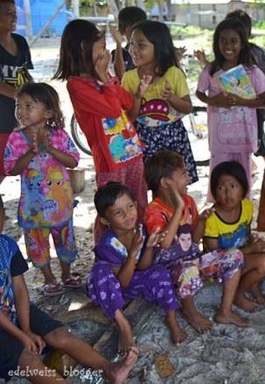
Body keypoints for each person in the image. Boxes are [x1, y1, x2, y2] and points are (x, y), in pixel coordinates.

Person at [53, 19, 147, 244]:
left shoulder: (103, 78)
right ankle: (107, 252)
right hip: (109, 161)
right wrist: (105, 77)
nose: (105, 53)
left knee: (139, 201)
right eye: (101, 48)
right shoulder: (76, 85)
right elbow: (113, 110)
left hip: (132, 152)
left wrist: (106, 77)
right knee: (111, 209)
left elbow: (126, 102)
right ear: (83, 49)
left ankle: (141, 246)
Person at [0, 232, 138, 383]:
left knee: (59, 335)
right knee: (28, 360)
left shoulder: (8, 245)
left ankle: (110, 370)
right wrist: (22, 336)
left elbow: (19, 289)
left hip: (14, 309)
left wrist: (26, 330)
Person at [143, 151, 248, 333]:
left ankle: (225, 311)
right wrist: (178, 208)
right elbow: (165, 244)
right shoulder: (154, 211)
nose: (189, 177)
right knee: (188, 269)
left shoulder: (189, 201)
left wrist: (201, 221)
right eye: (183, 173)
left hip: (192, 259)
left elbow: (195, 240)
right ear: (166, 183)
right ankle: (189, 311)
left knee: (235, 255)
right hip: (169, 270)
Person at [3, 83, 81, 296]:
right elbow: (11, 169)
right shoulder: (16, 139)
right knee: (37, 245)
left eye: (29, 106)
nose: (21, 111)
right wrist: (30, 153)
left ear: (48, 113)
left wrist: (51, 149)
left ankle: (66, 274)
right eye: (18, 105)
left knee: (65, 241)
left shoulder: (59, 135)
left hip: (60, 206)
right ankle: (49, 278)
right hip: (33, 208)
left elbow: (73, 161)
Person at [87, 182, 185, 351]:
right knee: (99, 270)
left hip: (134, 280)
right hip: (113, 289)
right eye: (118, 212)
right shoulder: (107, 244)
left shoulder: (140, 230)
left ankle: (171, 318)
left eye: (130, 206)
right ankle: (123, 324)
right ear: (105, 220)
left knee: (161, 272)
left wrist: (149, 247)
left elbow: (143, 267)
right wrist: (132, 253)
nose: (128, 215)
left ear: (135, 204)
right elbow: (122, 283)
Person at [121, 20, 198, 184]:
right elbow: (130, 118)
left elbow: (188, 107)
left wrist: (171, 98)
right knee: (151, 182)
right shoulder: (129, 78)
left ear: (158, 47)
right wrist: (137, 97)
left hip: (173, 136)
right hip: (144, 138)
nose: (133, 50)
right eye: (131, 44)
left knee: (176, 183)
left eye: (141, 45)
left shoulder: (173, 74)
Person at [195, 19, 265, 188]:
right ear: (217, 43)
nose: (228, 45)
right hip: (219, 139)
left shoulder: (252, 71)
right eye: (223, 41)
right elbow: (199, 93)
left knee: (242, 179)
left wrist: (243, 101)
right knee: (219, 179)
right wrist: (214, 101)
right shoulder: (211, 70)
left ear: (242, 44)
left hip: (244, 138)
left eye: (234, 41)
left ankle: (243, 204)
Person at [203, 160, 265, 310]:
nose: (228, 193)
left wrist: (257, 243)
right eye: (221, 188)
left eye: (233, 186)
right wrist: (251, 249)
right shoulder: (211, 219)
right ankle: (238, 294)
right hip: (222, 265)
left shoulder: (246, 206)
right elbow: (215, 257)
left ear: (243, 188)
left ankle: (252, 283)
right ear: (214, 192)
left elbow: (246, 235)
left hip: (243, 254)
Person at [224, 10, 265, 163]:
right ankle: (249, 166)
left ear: (247, 33)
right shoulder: (224, 54)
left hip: (254, 106)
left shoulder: (255, 53)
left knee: (258, 138)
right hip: (231, 107)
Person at [0, 0, 34, 234]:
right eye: (7, 13)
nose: (13, 17)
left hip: (20, 120)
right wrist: (19, 96)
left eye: (14, 13)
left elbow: (26, 74)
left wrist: (35, 96)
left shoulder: (20, 43)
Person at [109, 6, 147, 79]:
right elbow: (121, 75)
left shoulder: (149, 50)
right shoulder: (118, 53)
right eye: (131, 29)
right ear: (123, 30)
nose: (135, 33)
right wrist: (118, 43)